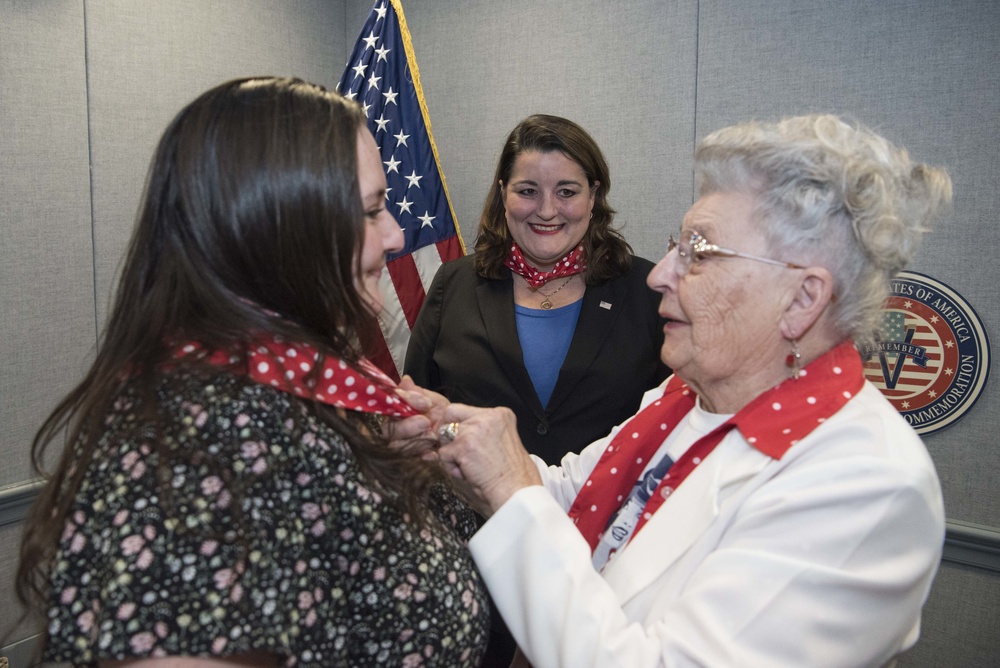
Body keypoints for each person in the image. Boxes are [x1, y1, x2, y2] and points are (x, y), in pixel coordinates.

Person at [398, 114, 953, 667]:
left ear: (803, 298)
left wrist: (508, 487)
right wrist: (453, 434)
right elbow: (568, 492)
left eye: (700, 252)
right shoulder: (686, 398)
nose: (661, 273)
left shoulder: (865, 486)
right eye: (676, 246)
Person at [15, 77, 489, 668]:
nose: (395, 234)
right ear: (278, 230)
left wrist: (370, 458)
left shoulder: (293, 386)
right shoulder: (196, 451)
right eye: (370, 211)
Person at [403, 114, 669, 467]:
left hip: (600, 515)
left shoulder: (649, 291)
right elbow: (417, 418)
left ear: (594, 196)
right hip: (475, 514)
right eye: (528, 191)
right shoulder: (453, 284)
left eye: (567, 192)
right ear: (503, 194)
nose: (546, 210)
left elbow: (674, 421)